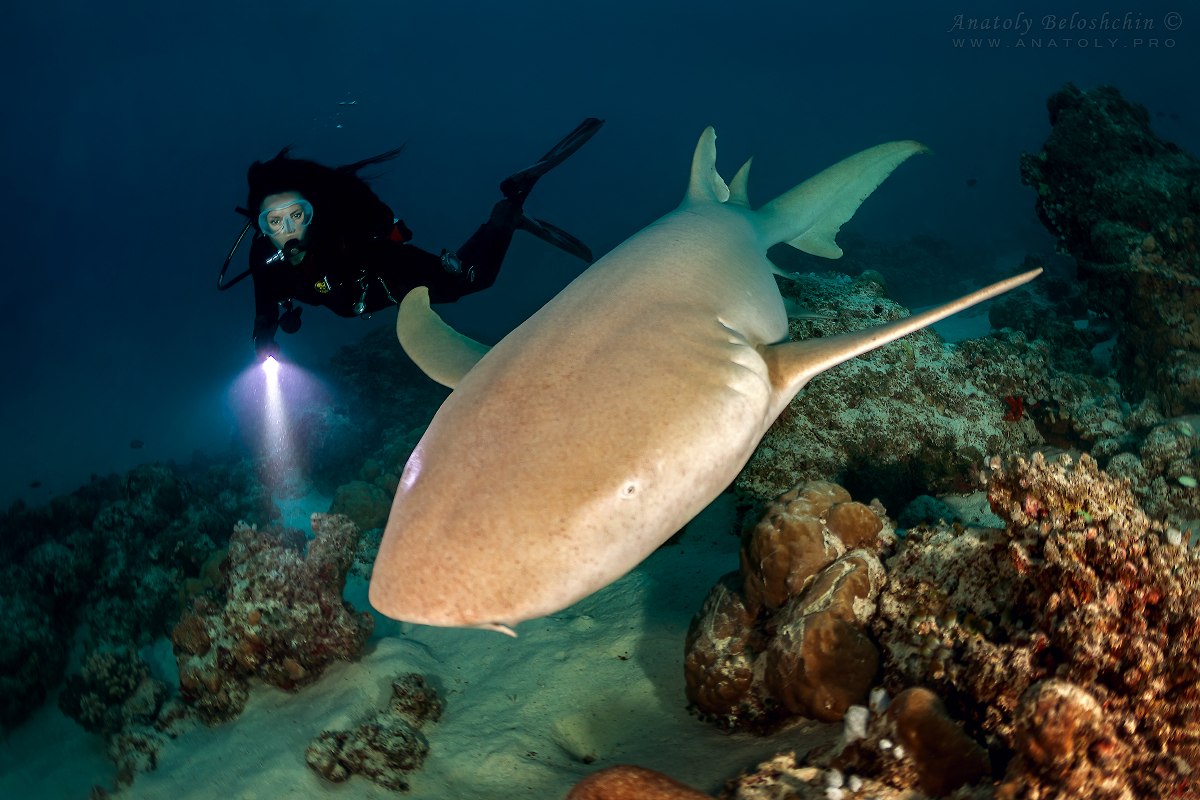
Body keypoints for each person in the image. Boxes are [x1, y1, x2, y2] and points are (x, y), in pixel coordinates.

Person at [238, 118, 604, 358]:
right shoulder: (265, 264)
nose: (288, 231)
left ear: (311, 213)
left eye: (296, 215)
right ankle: (508, 215)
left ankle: (508, 210)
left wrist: (436, 269)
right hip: (361, 299)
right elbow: (264, 310)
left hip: (387, 276)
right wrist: (264, 344)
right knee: (460, 277)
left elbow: (395, 253)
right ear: (260, 226)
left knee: (470, 280)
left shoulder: (345, 243)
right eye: (274, 221)